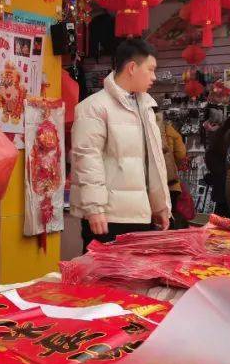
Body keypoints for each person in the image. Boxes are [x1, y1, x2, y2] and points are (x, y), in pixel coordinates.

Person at [70, 39, 170, 250]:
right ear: (132, 68)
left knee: (137, 278)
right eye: (150, 70)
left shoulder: (146, 107)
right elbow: (87, 159)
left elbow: (152, 161)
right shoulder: (94, 107)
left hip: (140, 215)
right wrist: (94, 208)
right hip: (108, 217)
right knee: (102, 278)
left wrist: (160, 205)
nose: (154, 77)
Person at [156, 110, 189, 226]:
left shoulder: (142, 128)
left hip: (152, 184)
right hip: (171, 183)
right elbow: (181, 154)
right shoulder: (170, 131)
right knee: (172, 215)